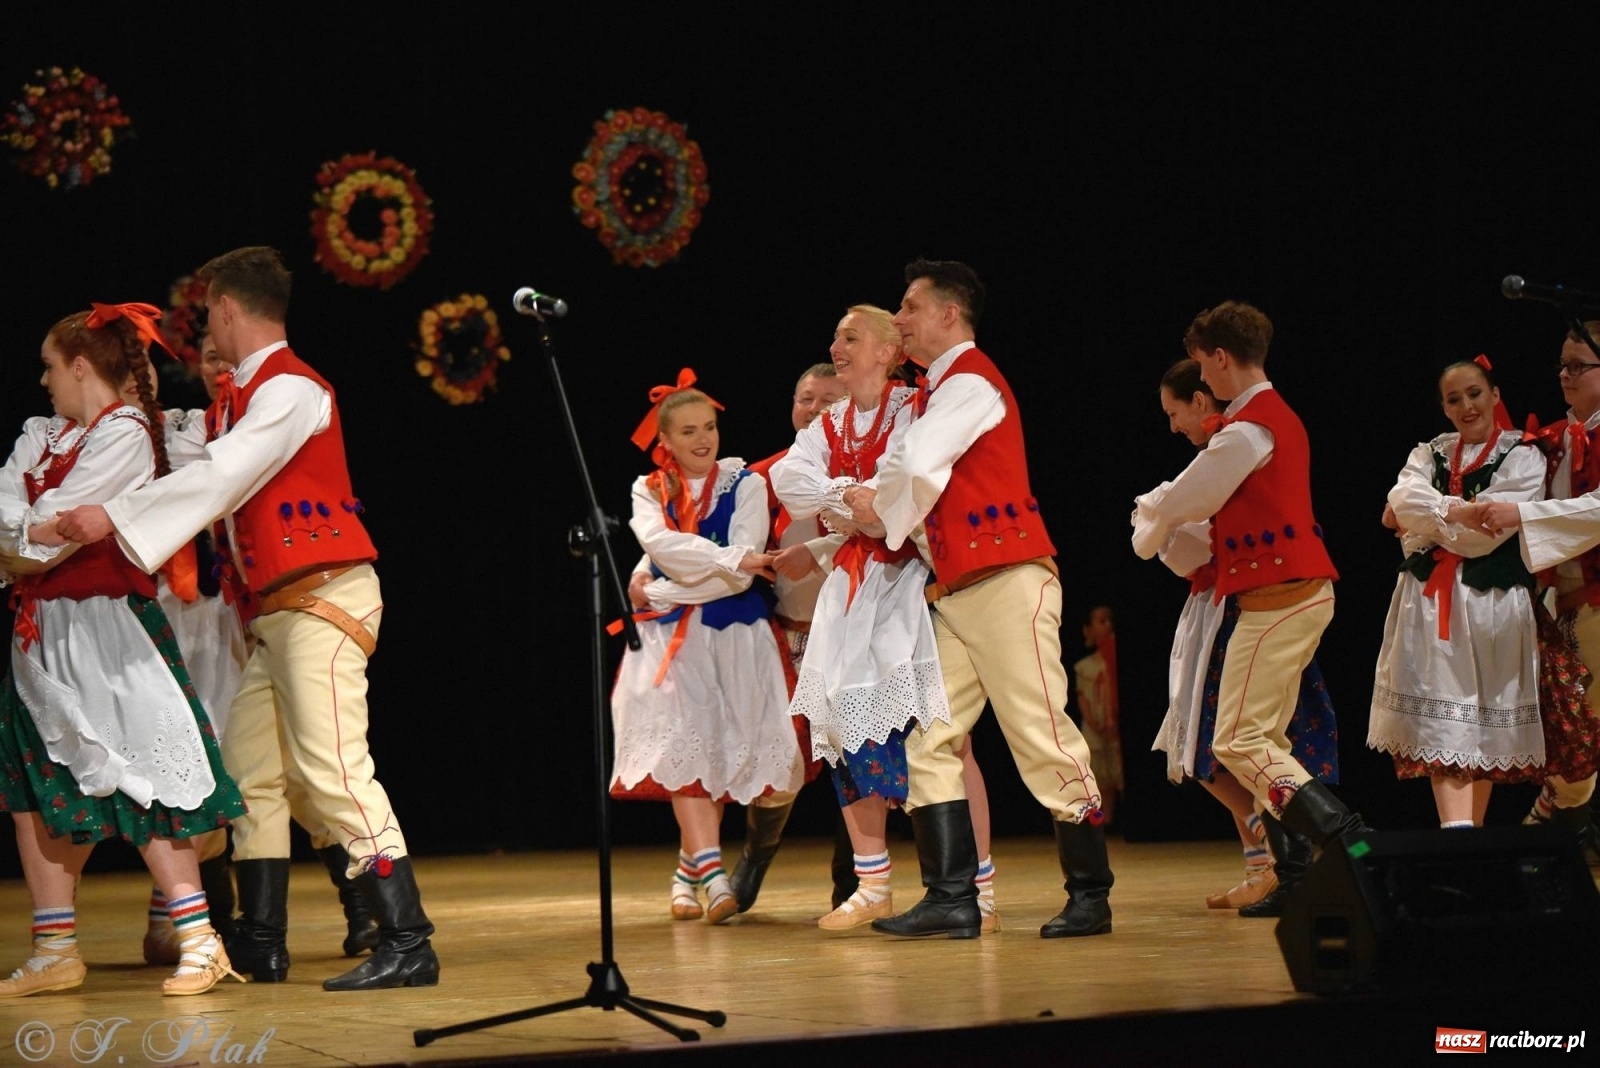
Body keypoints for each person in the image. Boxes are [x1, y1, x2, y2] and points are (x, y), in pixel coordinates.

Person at [52, 246, 437, 991]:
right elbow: (177, 446)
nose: (208, 332)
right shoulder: (240, 402)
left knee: (333, 769)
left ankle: (407, 936)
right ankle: (260, 940)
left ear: (226, 309)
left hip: (323, 600)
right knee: (250, 775)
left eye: (208, 317)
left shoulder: (290, 393)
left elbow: (222, 473)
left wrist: (113, 515)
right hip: (275, 614)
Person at [845, 259, 1113, 940]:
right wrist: (875, 508)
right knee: (930, 739)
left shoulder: (970, 379)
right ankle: (951, 897)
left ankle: (1091, 893)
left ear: (948, 314)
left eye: (908, 307)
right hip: (961, 589)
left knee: (1040, 730)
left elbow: (918, 463)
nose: (898, 320)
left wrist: (876, 508)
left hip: (1007, 578)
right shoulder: (938, 390)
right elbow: (911, 471)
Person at [0, 302, 245, 997]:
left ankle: (199, 935)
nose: (44, 382)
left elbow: (61, 526)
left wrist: (28, 533)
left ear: (81, 365)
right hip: (42, 634)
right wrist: (27, 534)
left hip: (112, 628)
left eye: (51, 366)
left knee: (151, 772)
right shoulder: (40, 433)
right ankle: (55, 948)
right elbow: (10, 516)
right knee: (40, 787)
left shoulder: (128, 433)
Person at [138, 332, 378, 966]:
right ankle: (228, 924)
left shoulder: (259, 419)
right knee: (227, 776)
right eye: (211, 362)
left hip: (234, 617)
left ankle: (372, 913)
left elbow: (231, 493)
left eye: (228, 362)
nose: (221, 372)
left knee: (308, 771)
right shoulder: (182, 434)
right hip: (190, 621)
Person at [1132, 300, 1367, 915]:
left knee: (1237, 740)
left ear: (1219, 357)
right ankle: (1301, 874)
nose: (1201, 381)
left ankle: (1349, 839)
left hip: (1280, 600)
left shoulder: (1249, 429)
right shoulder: (1258, 422)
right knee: (1268, 742)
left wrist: (1152, 514)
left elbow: (1185, 500)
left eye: (1201, 366)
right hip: (1288, 596)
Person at [771, 304, 961, 931]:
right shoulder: (830, 424)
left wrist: (874, 504)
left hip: (917, 580)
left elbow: (917, 483)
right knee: (846, 732)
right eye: (834, 336)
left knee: (940, 735)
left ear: (886, 351)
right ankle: (872, 879)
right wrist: (845, 495)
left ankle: (972, 886)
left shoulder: (915, 408)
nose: (837, 346)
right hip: (854, 587)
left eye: (850, 337)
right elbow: (792, 479)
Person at [613, 371, 805, 925]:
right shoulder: (649, 490)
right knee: (686, 747)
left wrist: (661, 587)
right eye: (689, 431)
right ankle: (714, 876)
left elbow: (742, 572)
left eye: (710, 427)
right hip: (673, 643)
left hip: (735, 633)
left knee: (720, 750)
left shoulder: (744, 483)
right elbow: (662, 545)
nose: (703, 439)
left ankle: (684, 872)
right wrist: (686, 568)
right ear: (665, 441)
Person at [1367, 357, 1547, 827]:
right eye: (1454, 399)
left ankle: (1467, 843)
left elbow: (1485, 534)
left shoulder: (1523, 456)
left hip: (1491, 604)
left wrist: (1420, 527)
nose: (1466, 405)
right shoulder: (1430, 452)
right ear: (1444, 408)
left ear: (1494, 395)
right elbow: (1403, 497)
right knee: (1444, 721)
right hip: (1430, 603)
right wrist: (1459, 511)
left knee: (1480, 724)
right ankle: (1459, 836)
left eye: (1474, 393)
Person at [1463, 320, 1600, 852]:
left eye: (1578, 366)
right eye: (1561, 366)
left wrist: (1522, 514)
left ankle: (1550, 831)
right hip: (1559, 605)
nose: (1564, 375)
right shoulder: (1555, 440)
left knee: (1582, 731)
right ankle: (1553, 833)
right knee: (1567, 731)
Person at [731, 362, 856, 913]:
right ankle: (753, 859)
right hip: (781, 642)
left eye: (830, 402)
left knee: (856, 759)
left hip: (852, 641)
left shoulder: (865, 480)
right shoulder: (759, 478)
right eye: (807, 398)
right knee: (779, 768)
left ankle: (852, 885)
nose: (815, 411)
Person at [1073, 605, 1124, 827]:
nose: (1108, 625)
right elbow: (1082, 697)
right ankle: (1101, 819)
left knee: (1117, 772)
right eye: (1101, 621)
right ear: (1088, 630)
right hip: (1094, 726)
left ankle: (1115, 819)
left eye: (1109, 620)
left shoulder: (1114, 662)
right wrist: (1095, 723)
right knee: (1098, 775)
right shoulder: (1085, 666)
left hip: (1114, 726)